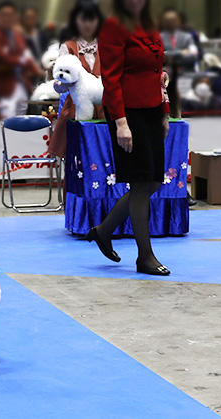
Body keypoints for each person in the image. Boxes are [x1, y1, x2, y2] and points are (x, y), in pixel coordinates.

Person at [91, 0, 170, 276]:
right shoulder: (113, 26)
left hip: (152, 110)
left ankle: (103, 231)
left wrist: (165, 112)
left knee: (152, 182)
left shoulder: (150, 24)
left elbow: (157, 73)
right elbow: (110, 79)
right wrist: (121, 123)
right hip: (128, 114)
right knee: (141, 182)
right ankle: (145, 257)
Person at [47, 0, 104, 158]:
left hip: (106, 108)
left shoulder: (107, 45)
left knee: (104, 158)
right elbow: (60, 82)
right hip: (76, 108)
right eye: (83, 19)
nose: (87, 24)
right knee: (77, 158)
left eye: (91, 19)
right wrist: (60, 84)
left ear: (98, 21)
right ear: (75, 21)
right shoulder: (68, 46)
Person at [0, 1, 42, 118]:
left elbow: (26, 55)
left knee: (21, 117)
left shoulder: (17, 34)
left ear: (15, 17)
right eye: (4, 14)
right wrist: (22, 60)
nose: (7, 18)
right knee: (7, 121)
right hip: (5, 86)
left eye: (10, 15)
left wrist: (38, 70)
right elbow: (2, 58)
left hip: (22, 83)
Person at [159, 8, 198, 72]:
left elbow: (193, 54)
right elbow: (160, 54)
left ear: (179, 21)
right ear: (163, 22)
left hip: (186, 72)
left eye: (173, 20)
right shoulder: (159, 37)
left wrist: (170, 57)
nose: (170, 23)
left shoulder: (187, 37)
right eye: (168, 21)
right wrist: (181, 52)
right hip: (166, 73)